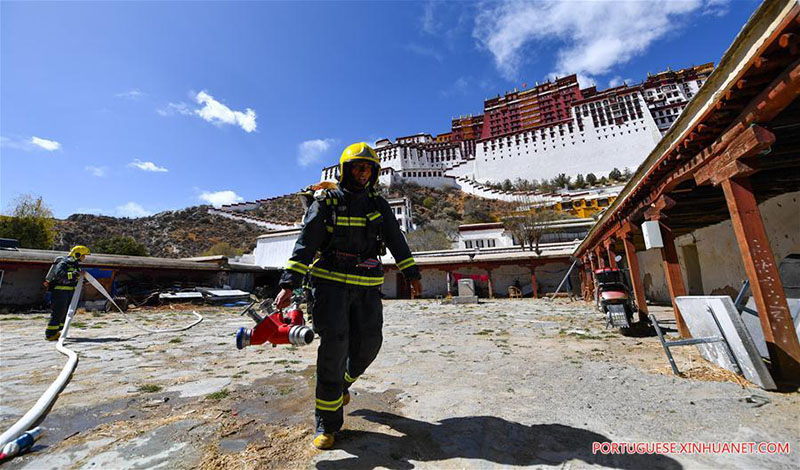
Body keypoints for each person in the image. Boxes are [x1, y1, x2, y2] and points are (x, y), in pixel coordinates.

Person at [274, 142, 422, 450]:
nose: (363, 172)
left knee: (369, 343)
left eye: (368, 167)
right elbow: (306, 243)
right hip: (328, 287)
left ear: (374, 172)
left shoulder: (378, 205)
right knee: (334, 346)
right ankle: (327, 424)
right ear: (345, 170)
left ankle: (343, 383)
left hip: (367, 286)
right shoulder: (326, 202)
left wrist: (412, 274)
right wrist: (289, 283)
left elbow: (396, 240)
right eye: (357, 167)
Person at [43, 245, 90, 341]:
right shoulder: (64, 262)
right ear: (77, 254)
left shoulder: (75, 265)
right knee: (58, 312)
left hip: (69, 291)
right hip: (59, 291)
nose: (84, 258)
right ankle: (50, 334)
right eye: (83, 255)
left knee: (66, 312)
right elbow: (60, 274)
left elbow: (74, 278)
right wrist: (75, 275)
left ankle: (59, 331)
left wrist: (82, 279)